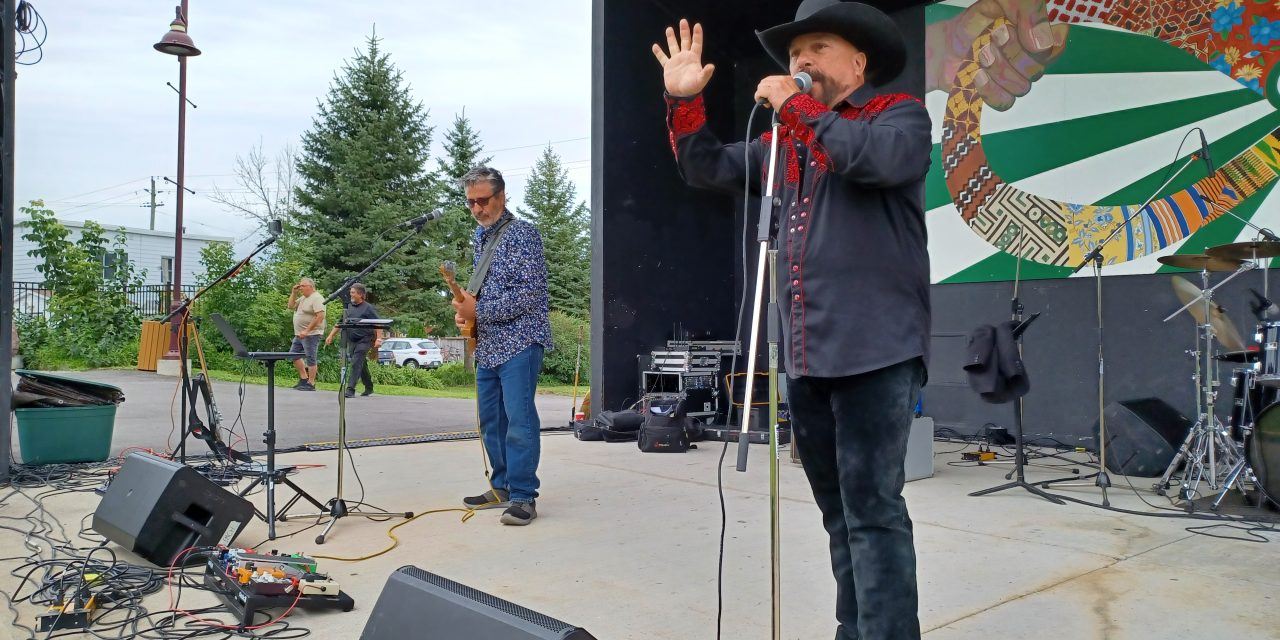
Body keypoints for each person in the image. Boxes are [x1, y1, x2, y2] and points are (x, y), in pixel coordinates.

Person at [652, 2, 932, 638]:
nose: (801, 62)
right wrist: (683, 103)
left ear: (858, 63)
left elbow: (873, 161)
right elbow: (707, 166)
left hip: (876, 349)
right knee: (837, 511)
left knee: (873, 510)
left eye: (819, 48)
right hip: (805, 352)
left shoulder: (898, 117)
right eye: (795, 53)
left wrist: (794, 107)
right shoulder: (785, 144)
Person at [450, 165, 553, 526]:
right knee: (491, 421)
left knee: (519, 420)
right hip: (491, 343)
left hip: (521, 341)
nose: (477, 209)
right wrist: (467, 314)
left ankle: (524, 496)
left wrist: (479, 309)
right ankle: (502, 486)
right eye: (470, 203)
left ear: (502, 196)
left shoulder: (523, 234)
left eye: (483, 201)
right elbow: (484, 295)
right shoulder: (481, 238)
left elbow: (530, 293)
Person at [325, 282, 383, 398]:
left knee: (356, 362)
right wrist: (331, 335)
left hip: (365, 339)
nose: (350, 295)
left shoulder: (368, 308)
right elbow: (340, 322)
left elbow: (378, 323)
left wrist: (379, 338)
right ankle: (369, 387)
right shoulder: (348, 307)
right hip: (352, 340)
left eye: (352, 292)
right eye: (350, 292)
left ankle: (350, 389)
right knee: (360, 363)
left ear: (360, 294)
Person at [287, 277, 326, 391]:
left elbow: (320, 316)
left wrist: (307, 331)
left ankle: (311, 383)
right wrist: (293, 293)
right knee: (293, 355)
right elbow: (290, 306)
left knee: (310, 357)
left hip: (312, 334)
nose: (300, 288)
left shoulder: (317, 298)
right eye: (300, 286)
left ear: (311, 287)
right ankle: (304, 378)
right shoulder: (304, 298)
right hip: (300, 334)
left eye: (303, 286)